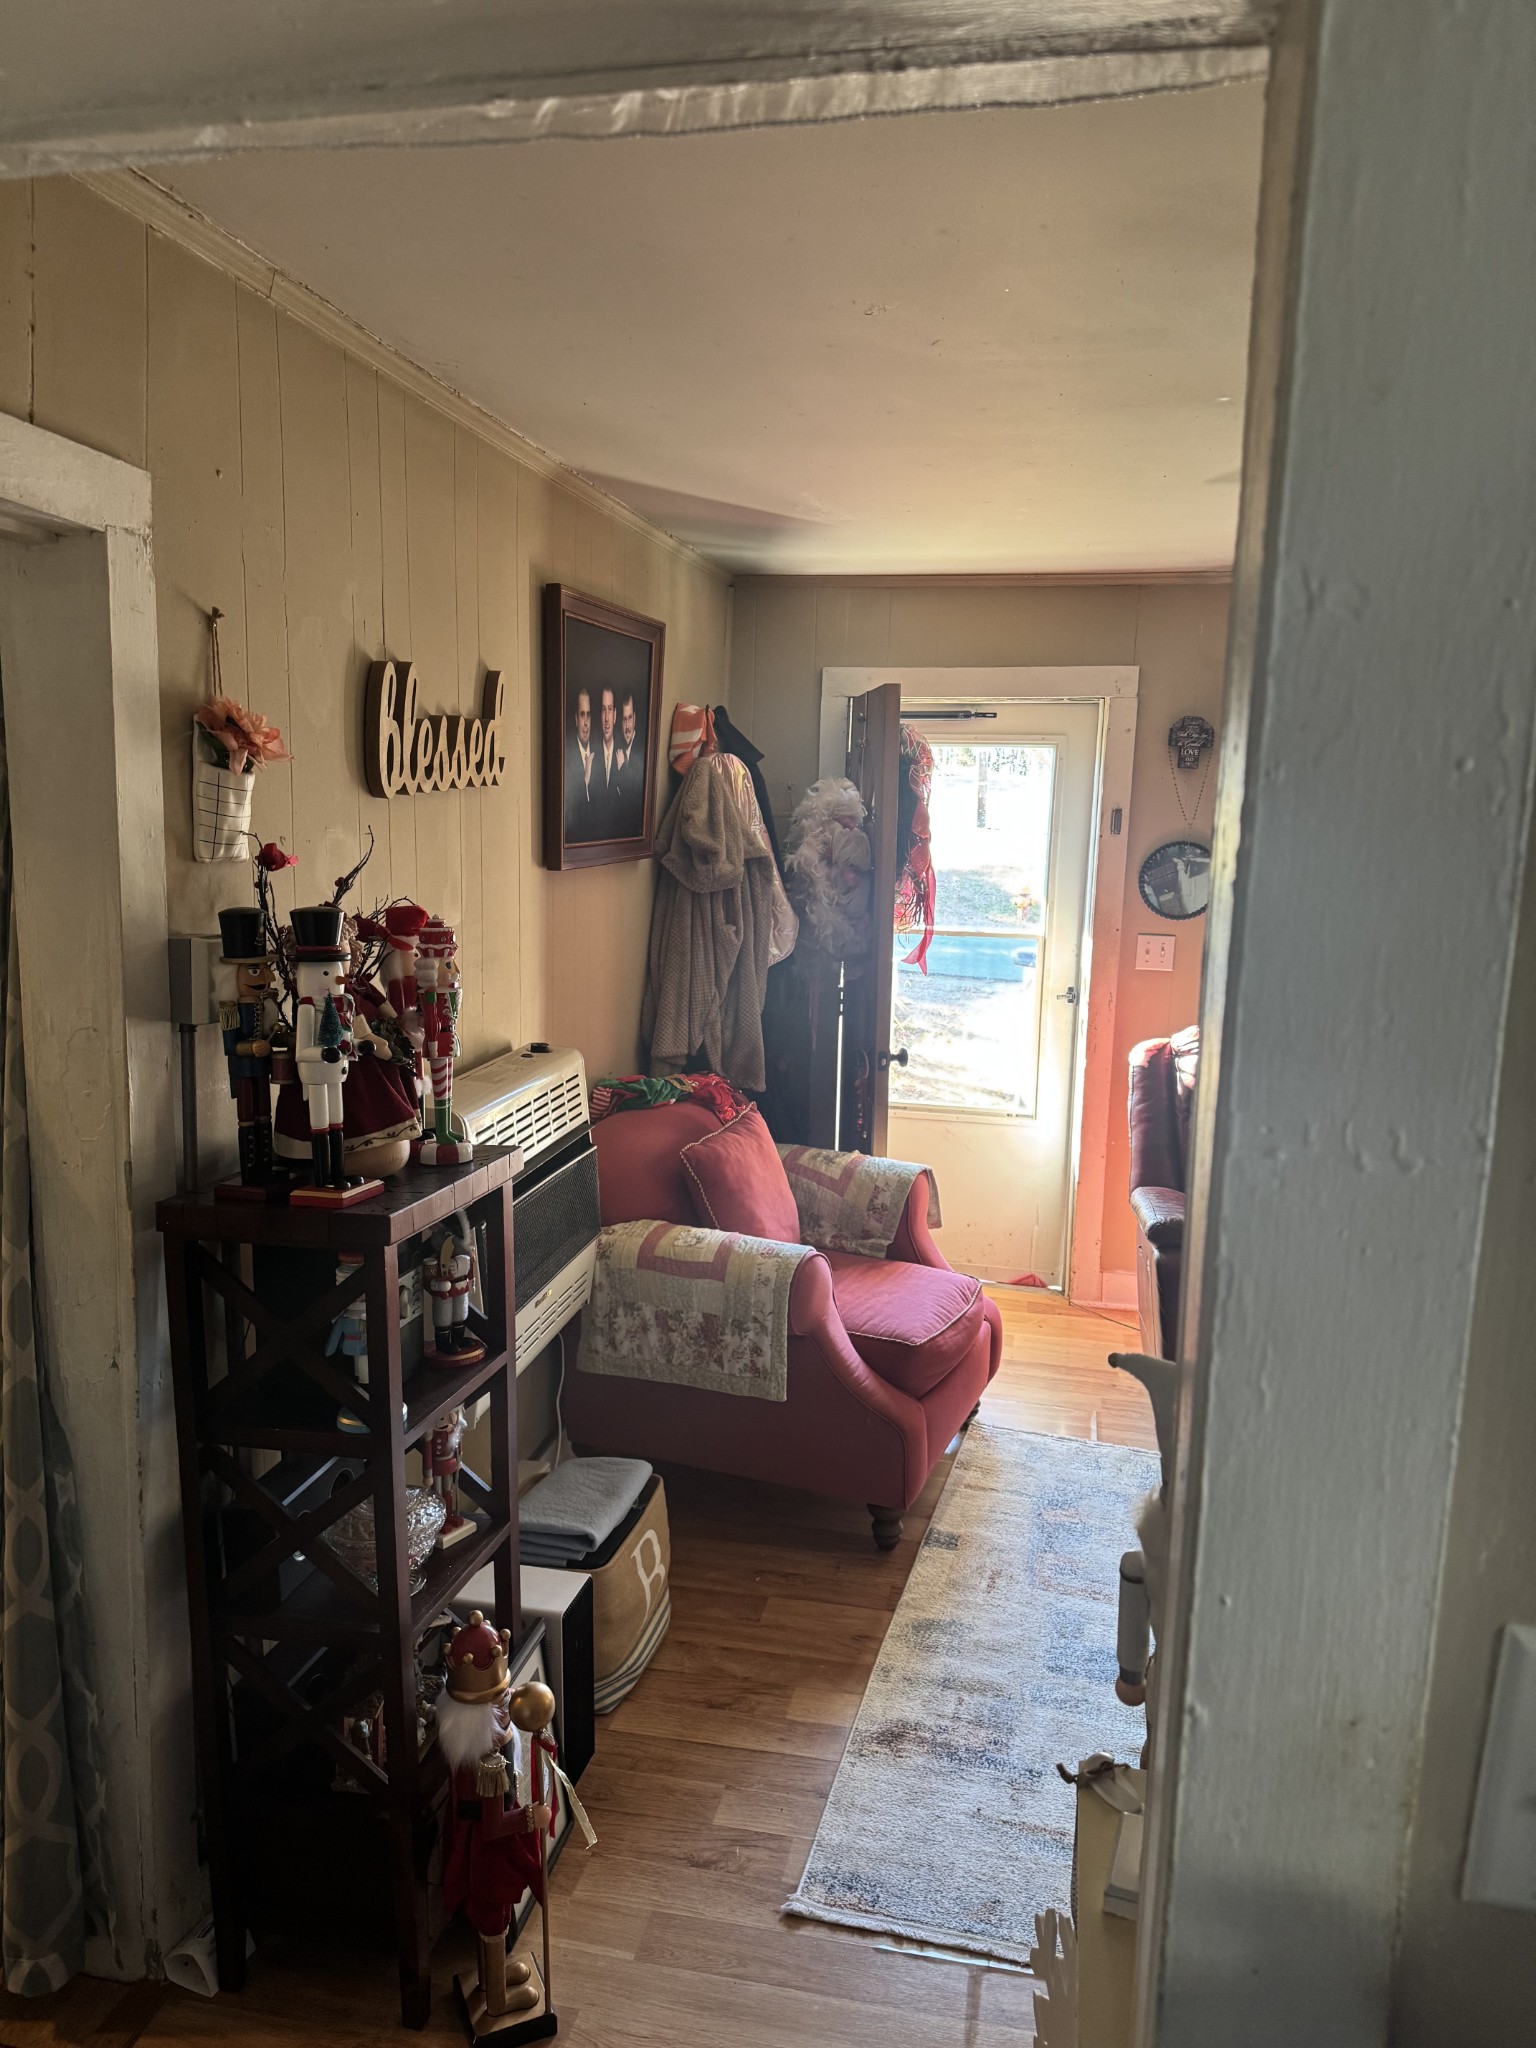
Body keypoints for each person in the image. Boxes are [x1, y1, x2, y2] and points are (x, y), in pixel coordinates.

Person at [565, 686, 597, 841]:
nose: (586, 722)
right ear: (576, 719)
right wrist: (584, 781)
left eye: (589, 715)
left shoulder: (602, 755)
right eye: (582, 715)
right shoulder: (565, 757)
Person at [613, 688, 646, 839]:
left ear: (635, 718)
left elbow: (632, 797)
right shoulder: (616, 748)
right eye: (624, 719)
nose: (627, 726)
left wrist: (621, 770)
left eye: (630, 718)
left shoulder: (643, 750)